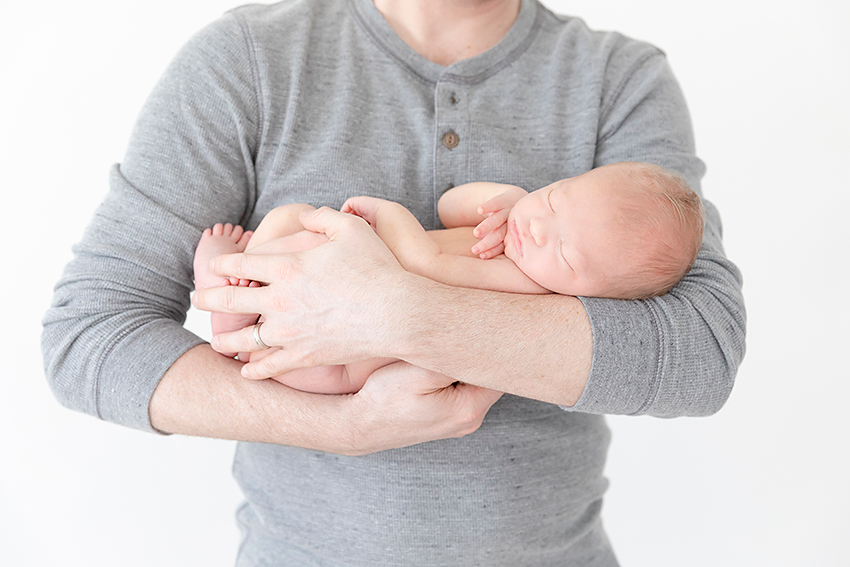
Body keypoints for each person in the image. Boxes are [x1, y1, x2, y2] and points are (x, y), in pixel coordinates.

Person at [42, 0, 746, 565]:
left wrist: (399, 312)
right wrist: (346, 425)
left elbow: (699, 353)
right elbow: (89, 335)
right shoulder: (249, 61)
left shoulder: (618, 80)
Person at [194, 162, 704, 394]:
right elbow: (446, 206)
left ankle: (226, 318)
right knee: (291, 218)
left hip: (357, 349)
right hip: (352, 262)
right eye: (554, 198)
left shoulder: (529, 284)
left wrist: (389, 215)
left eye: (566, 253)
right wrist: (500, 198)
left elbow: (425, 267)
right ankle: (242, 276)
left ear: (586, 291)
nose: (538, 228)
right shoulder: (518, 228)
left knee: (330, 375)